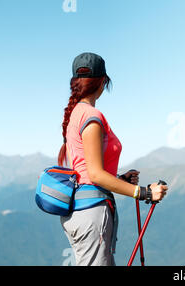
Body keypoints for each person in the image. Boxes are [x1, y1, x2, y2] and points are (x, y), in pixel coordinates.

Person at [57, 52, 168, 266]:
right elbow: (95, 175)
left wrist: (120, 179)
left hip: (78, 211)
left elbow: (83, 172)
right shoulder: (92, 117)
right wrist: (143, 193)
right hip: (92, 213)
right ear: (102, 82)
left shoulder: (74, 116)